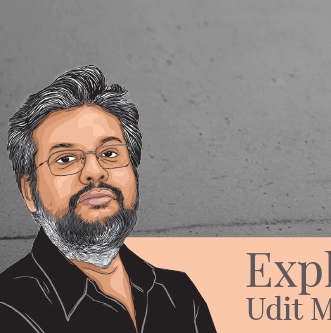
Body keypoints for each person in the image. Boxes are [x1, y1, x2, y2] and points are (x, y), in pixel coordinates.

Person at [0, 65, 216, 332]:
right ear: (29, 192)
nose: (94, 172)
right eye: (65, 159)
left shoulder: (180, 295)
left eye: (110, 153)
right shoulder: (9, 308)